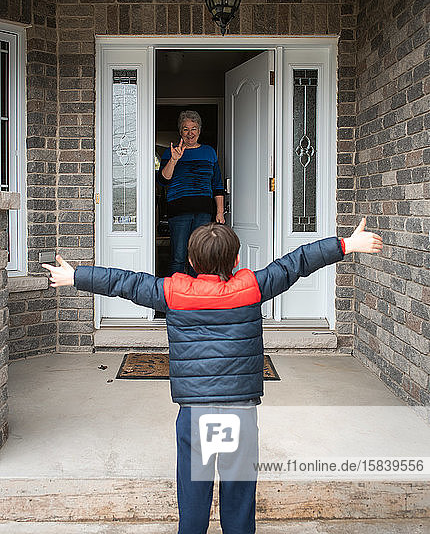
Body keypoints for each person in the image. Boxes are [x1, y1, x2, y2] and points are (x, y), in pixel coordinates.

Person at [42, 218, 382, 534]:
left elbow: (125, 282)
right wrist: (347, 245)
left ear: (190, 262)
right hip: (240, 413)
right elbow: (296, 263)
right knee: (239, 498)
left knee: (193, 500)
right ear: (236, 261)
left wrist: (76, 276)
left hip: (195, 414)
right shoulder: (251, 287)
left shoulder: (173, 292)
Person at [157, 110, 225, 276]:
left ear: (199, 131)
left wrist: (220, 212)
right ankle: (177, 293)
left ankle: (196, 294)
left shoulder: (209, 152)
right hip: (178, 212)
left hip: (203, 212)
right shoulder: (170, 152)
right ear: (180, 132)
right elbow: (162, 180)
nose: (190, 133)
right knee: (179, 256)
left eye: (193, 128)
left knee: (199, 256)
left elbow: (217, 184)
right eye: (185, 129)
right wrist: (174, 160)